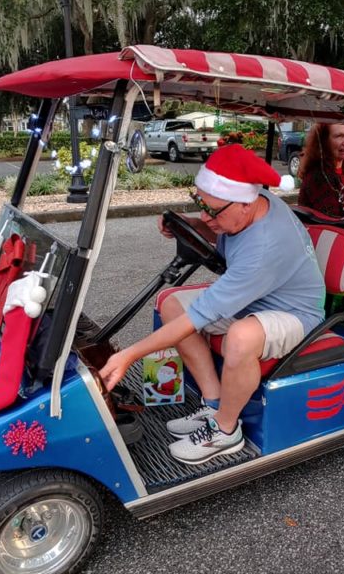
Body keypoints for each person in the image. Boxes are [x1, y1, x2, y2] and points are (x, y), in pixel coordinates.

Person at [100, 143, 325, 465]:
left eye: (213, 211)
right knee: (170, 304)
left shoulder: (263, 249)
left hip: (295, 312)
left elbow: (197, 318)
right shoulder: (246, 205)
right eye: (200, 204)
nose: (207, 216)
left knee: (240, 337)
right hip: (257, 296)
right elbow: (219, 224)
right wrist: (193, 223)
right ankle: (214, 401)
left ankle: (226, 429)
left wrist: (129, 355)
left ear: (246, 205)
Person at [297, 123, 344, 220]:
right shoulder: (320, 176)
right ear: (324, 142)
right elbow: (335, 221)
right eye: (339, 136)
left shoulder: (338, 172)